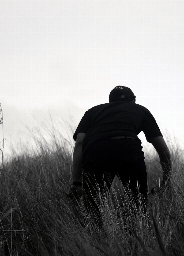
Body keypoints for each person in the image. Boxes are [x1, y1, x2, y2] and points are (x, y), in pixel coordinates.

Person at [70, 86, 172, 228]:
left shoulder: (93, 111)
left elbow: (80, 142)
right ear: (133, 100)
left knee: (93, 210)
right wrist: (167, 179)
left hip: (96, 151)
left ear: (110, 102)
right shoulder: (140, 110)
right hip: (128, 148)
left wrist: (77, 182)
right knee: (138, 206)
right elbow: (163, 150)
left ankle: (97, 243)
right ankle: (134, 241)